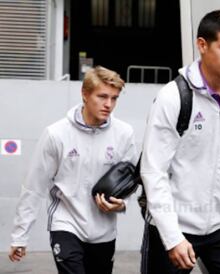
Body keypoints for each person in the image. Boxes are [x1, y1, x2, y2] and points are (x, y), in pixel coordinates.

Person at [140, 9, 220, 274]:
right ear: (202, 45)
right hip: (175, 221)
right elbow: (153, 171)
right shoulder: (173, 97)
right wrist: (172, 237)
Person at [9, 66, 139, 274]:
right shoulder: (56, 134)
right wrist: (20, 236)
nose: (108, 104)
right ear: (85, 94)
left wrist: (121, 205)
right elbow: (34, 186)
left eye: (114, 98)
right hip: (66, 224)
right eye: (102, 96)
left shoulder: (124, 133)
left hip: (104, 231)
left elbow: (130, 181)